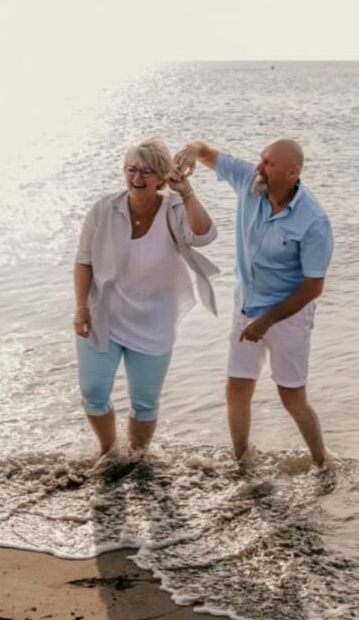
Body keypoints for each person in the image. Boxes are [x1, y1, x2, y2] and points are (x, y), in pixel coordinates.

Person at [174, 138, 333, 466]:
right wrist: (192, 152)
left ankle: (322, 463)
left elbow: (313, 287)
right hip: (245, 307)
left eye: (268, 164)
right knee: (237, 389)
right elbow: (207, 152)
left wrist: (267, 321)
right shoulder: (250, 181)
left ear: (292, 172)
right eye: (261, 159)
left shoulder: (314, 221)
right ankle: (242, 460)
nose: (259, 167)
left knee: (292, 398)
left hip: (289, 316)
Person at [74, 138, 218, 455]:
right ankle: (110, 452)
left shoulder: (174, 209)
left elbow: (205, 235)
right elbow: (84, 260)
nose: (137, 177)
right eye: (132, 169)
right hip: (105, 314)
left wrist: (187, 193)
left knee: (144, 402)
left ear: (163, 176)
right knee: (94, 392)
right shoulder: (103, 209)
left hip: (154, 320)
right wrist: (81, 308)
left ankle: (136, 461)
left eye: (147, 171)